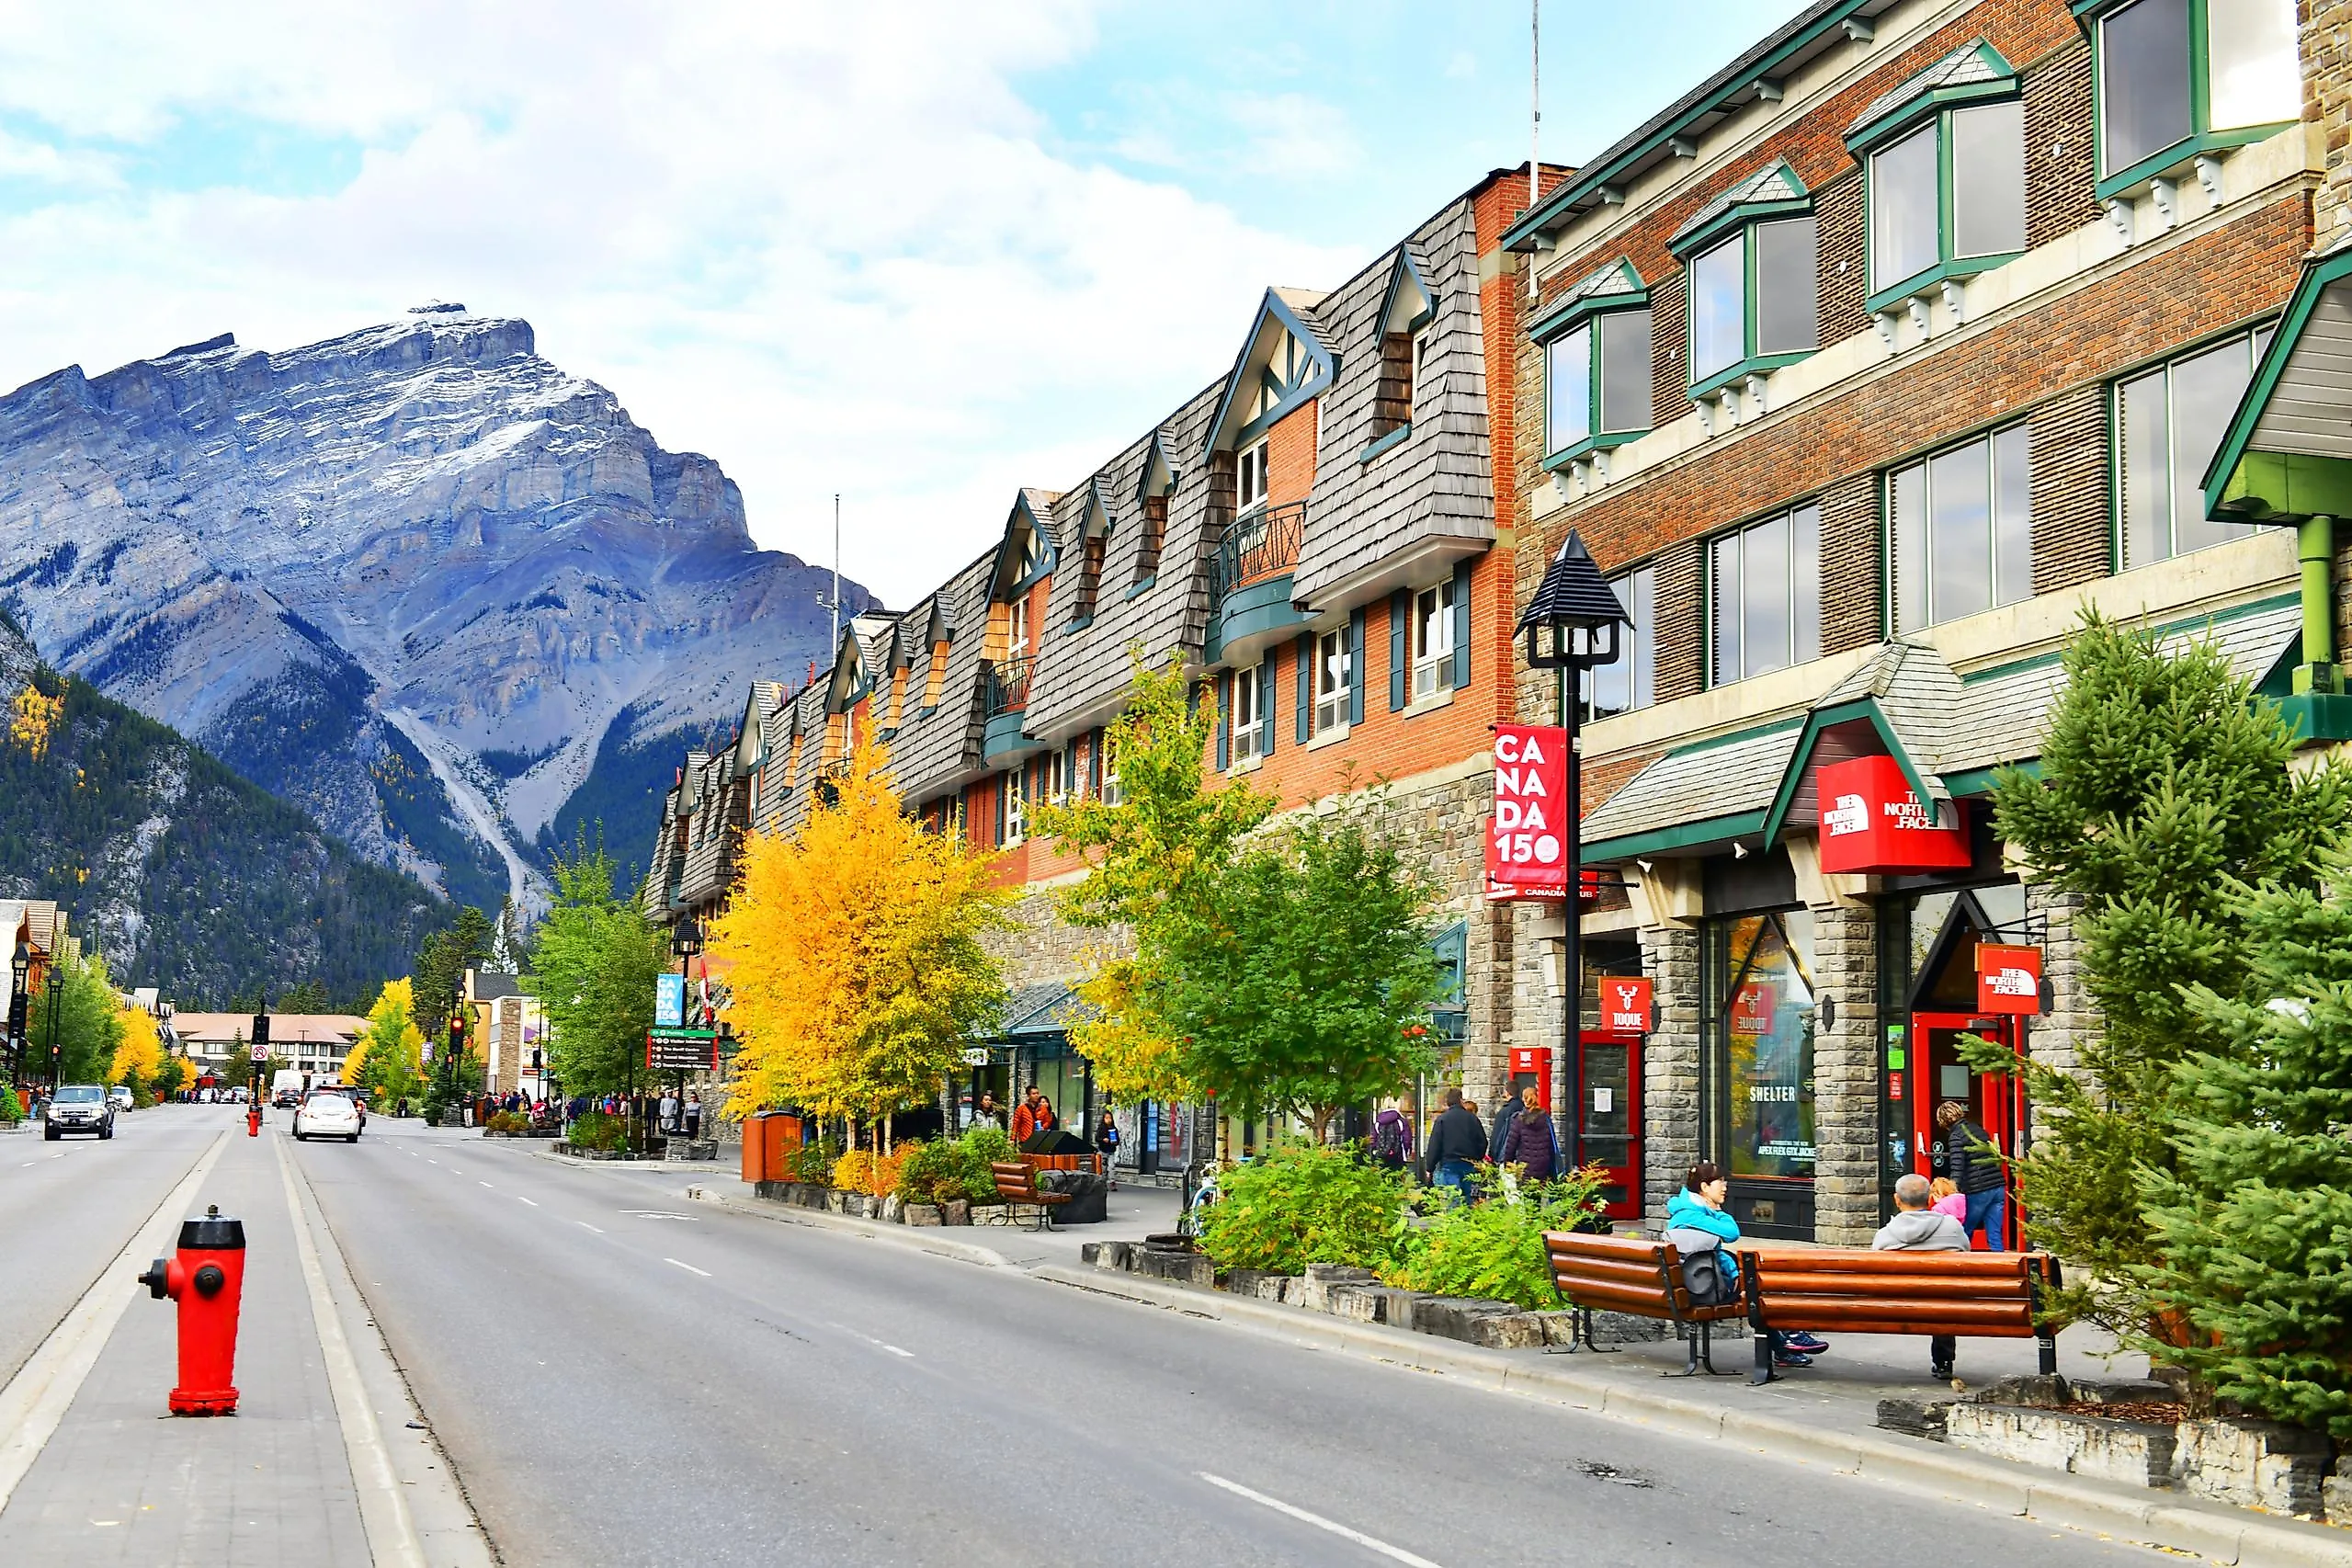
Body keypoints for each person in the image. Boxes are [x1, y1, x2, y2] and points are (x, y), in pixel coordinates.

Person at [1667, 1162, 1826, 1368]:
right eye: (1720, 1182)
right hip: (1707, 1288)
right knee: (1761, 1288)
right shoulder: (1691, 1215)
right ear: (1705, 1187)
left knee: (1761, 1287)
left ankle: (1786, 1344)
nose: (1725, 1187)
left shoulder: (1688, 1210)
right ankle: (1791, 1335)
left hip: (1702, 1283)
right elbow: (1731, 1233)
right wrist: (1718, 1210)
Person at [1874, 1171, 1971, 1380]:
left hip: (1896, 1304)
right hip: (1942, 1303)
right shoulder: (1952, 1227)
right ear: (1929, 1198)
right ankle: (1943, 1362)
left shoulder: (1885, 1234)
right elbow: (1966, 1251)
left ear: (1897, 1200)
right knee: (1943, 1295)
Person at [1937, 1099, 2006, 1248]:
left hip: (1978, 1189)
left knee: (1964, 1231)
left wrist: (1952, 1190)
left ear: (1943, 1121)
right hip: (1998, 1186)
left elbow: (1957, 1166)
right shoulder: (1978, 1129)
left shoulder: (1956, 1136)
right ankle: (2000, 1267)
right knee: (1994, 1235)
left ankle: (1962, 1266)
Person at [1417, 1087, 1485, 1199]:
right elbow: (1482, 1141)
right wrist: (1477, 1158)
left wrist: (1430, 1167)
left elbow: (1435, 1145)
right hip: (1469, 1163)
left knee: (1453, 1195)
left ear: (1447, 1102)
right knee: (1467, 1196)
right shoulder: (1472, 1119)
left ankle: (1455, 1215)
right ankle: (1466, 1215)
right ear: (1461, 1100)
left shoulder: (1442, 1119)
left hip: (1450, 1162)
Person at [1499, 1084, 1560, 1181]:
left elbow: (1510, 1146)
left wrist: (1507, 1164)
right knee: (1538, 1194)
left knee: (1525, 1194)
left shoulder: (1518, 1120)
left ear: (1524, 1099)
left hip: (1524, 1168)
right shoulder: (1545, 1119)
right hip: (1542, 1167)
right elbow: (1551, 1145)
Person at [1370, 1096, 1415, 1171]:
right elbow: (1407, 1140)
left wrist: (1376, 1151)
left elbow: (1373, 1139)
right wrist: (1407, 1152)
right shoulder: (1401, 1121)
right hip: (1398, 1156)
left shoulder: (1378, 1123)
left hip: (1381, 1156)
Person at [1095, 1109, 1120, 1189]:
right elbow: (1097, 1138)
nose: (1108, 1120)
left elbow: (1118, 1140)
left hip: (1111, 1151)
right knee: (1103, 1168)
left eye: (1110, 1118)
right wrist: (1103, 1140)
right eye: (1106, 1118)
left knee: (1111, 1166)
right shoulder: (1101, 1128)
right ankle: (1103, 1183)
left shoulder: (1114, 1129)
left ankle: (1112, 1181)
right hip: (1103, 1150)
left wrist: (1115, 1142)